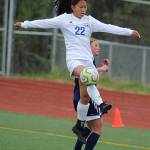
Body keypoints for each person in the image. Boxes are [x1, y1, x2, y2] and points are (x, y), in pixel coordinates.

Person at [15, 0, 140, 149]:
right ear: (72, 7)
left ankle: (79, 125)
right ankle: (101, 103)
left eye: (85, 7)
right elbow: (44, 22)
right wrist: (24, 24)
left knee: (85, 96)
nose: (83, 9)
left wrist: (129, 31)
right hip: (74, 61)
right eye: (80, 6)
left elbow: (108, 27)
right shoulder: (64, 19)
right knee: (88, 75)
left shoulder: (89, 21)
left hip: (87, 61)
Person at [73, 38, 110, 150]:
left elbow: (91, 74)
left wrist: (102, 68)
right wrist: (102, 69)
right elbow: (88, 75)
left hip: (80, 97)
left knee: (89, 128)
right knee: (97, 129)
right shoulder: (85, 60)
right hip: (86, 99)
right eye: (96, 45)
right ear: (88, 47)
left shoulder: (87, 60)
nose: (98, 47)